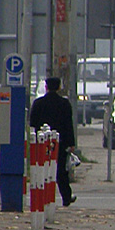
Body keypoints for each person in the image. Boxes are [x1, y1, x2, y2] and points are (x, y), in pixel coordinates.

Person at [30, 77, 78, 206]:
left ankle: (41, 195)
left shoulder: (38, 103)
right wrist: (71, 143)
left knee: (42, 168)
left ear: (46, 87)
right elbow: (69, 124)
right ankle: (66, 197)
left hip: (42, 142)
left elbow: (33, 122)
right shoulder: (64, 104)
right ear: (59, 87)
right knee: (61, 171)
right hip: (60, 142)